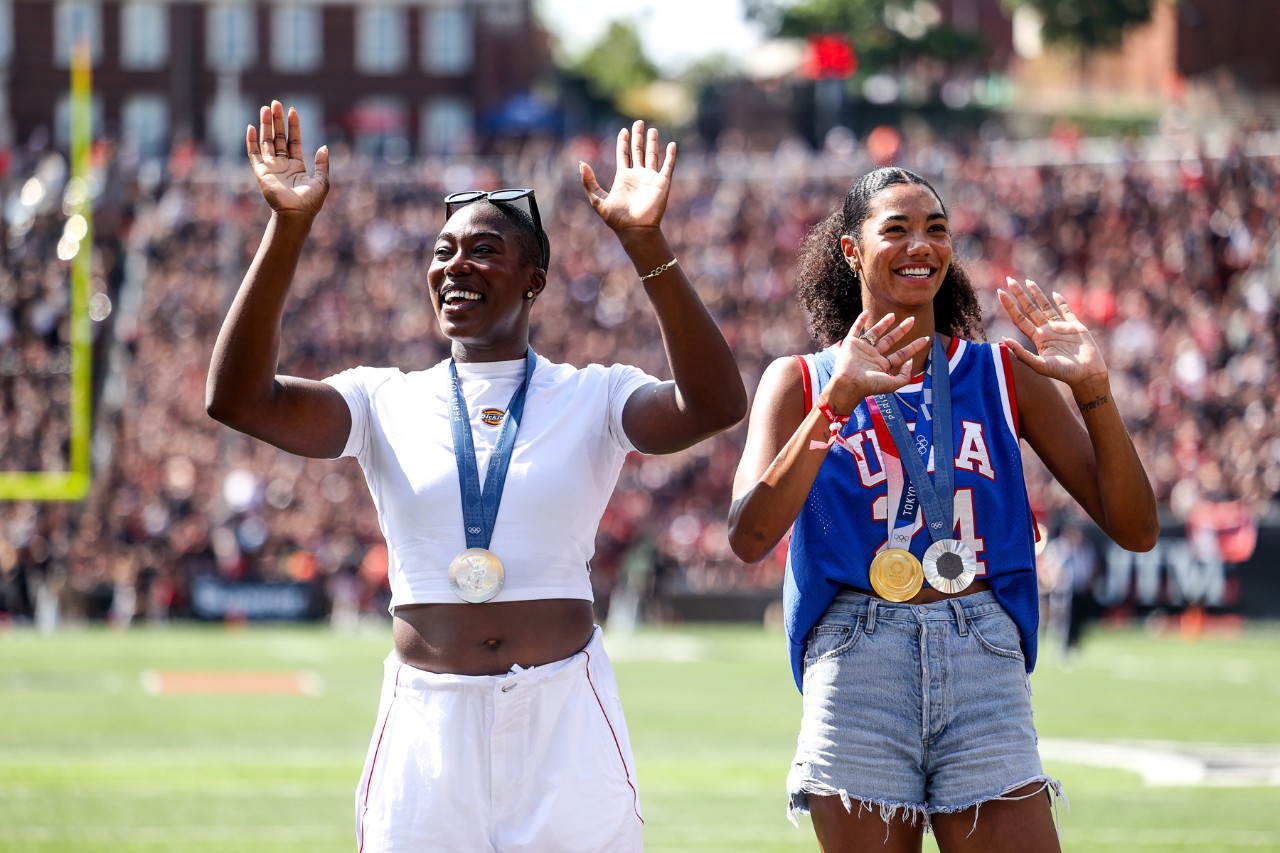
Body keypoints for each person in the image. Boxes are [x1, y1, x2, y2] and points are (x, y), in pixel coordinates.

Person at [206, 101, 746, 852]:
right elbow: (236, 399)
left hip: (565, 718)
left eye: (483, 249)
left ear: (535, 279)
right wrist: (287, 226)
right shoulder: (381, 397)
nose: (454, 264)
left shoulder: (593, 395)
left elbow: (716, 404)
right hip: (428, 725)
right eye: (442, 251)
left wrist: (646, 244)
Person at [727, 166, 1158, 852]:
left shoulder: (1001, 372)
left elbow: (1136, 528)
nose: (919, 245)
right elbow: (748, 535)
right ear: (850, 249)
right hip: (857, 655)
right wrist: (835, 405)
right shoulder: (800, 379)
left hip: (982, 648)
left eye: (935, 228)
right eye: (895, 229)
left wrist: (1095, 392)